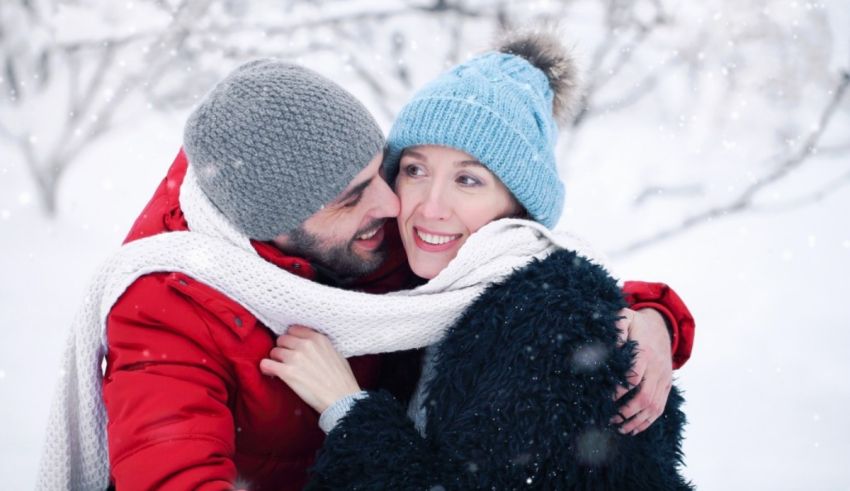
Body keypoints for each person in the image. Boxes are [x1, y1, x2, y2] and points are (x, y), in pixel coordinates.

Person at [37, 58, 693, 490]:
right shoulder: (167, 308)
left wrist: (652, 316)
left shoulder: (387, 245)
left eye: (383, 169)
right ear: (278, 228)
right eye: (356, 195)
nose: (396, 206)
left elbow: (530, 292)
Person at [261, 32, 692, 489]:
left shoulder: (550, 326)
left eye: (468, 180)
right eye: (415, 170)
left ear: (519, 205)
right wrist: (659, 313)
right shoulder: (419, 297)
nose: (430, 206)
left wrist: (347, 407)